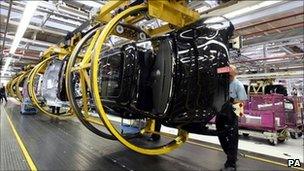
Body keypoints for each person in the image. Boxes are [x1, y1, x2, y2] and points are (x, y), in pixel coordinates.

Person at [216, 65, 247, 171]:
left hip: (232, 113)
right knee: (221, 136)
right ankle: (231, 154)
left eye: (230, 74)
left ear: (235, 74)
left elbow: (242, 102)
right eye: (226, 74)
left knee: (233, 138)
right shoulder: (222, 84)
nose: (227, 76)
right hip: (220, 113)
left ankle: (231, 164)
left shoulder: (238, 85)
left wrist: (232, 101)